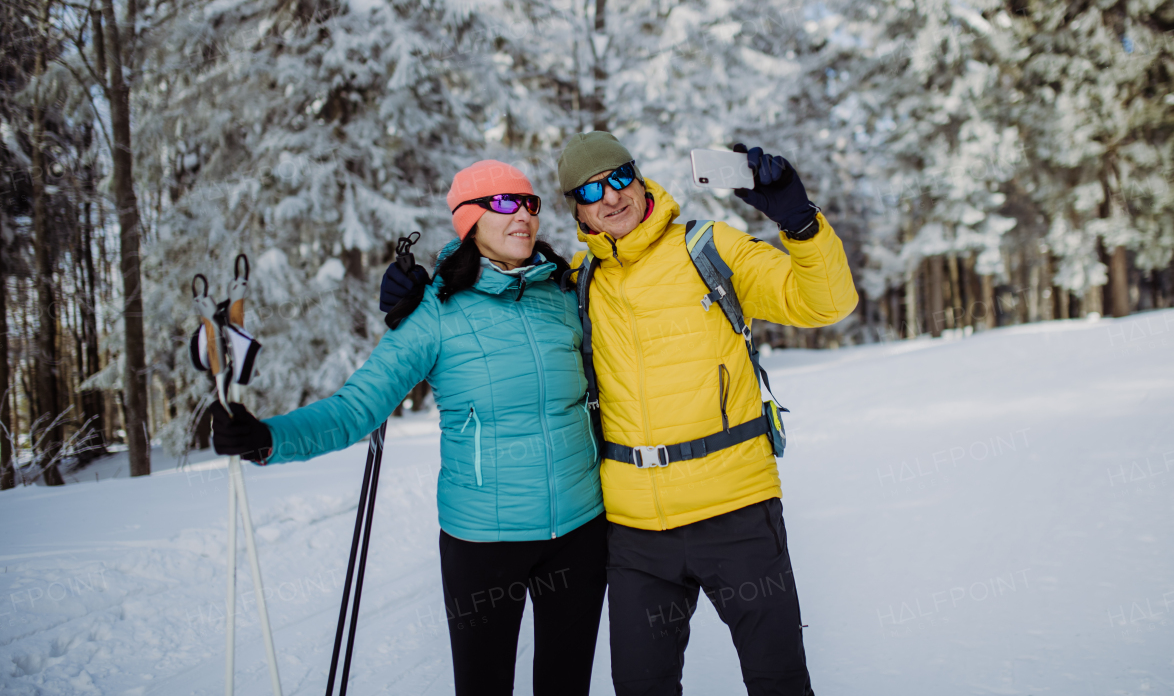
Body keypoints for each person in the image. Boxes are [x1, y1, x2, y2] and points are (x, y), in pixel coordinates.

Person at [211, 160, 607, 696]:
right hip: (484, 542)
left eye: (531, 203)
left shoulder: (563, 295)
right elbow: (359, 406)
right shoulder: (434, 312)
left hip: (580, 530)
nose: (526, 216)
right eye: (506, 204)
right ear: (469, 220)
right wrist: (270, 438)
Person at [555, 132, 857, 696]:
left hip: (736, 511)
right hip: (636, 535)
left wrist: (799, 220)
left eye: (620, 178)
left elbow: (826, 304)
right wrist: (434, 289)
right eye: (591, 190)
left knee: (778, 682)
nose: (611, 197)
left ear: (639, 178)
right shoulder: (578, 283)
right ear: (576, 207)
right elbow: (500, 319)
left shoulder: (708, 248)